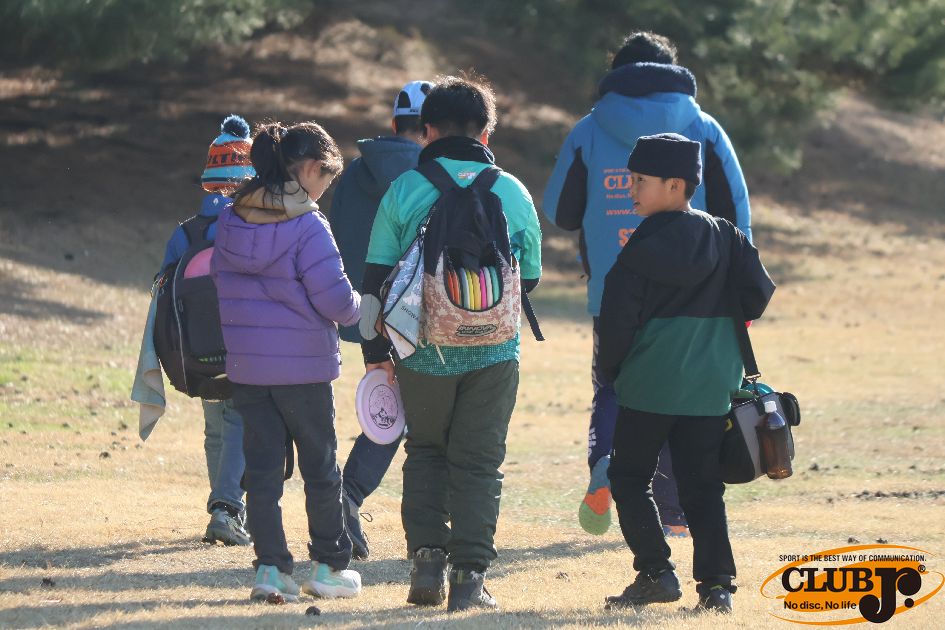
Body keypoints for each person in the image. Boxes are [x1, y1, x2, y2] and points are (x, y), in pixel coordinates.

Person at [542, 31, 752, 537]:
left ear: (617, 74)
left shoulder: (589, 129)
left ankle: (605, 462)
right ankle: (675, 514)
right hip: (697, 299)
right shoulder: (704, 128)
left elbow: (560, 211)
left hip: (613, 290)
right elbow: (737, 215)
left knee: (614, 385)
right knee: (684, 394)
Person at [359, 75, 542, 612]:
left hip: (421, 350)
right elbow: (528, 278)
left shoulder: (405, 189)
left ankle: (426, 564)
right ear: (486, 133)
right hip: (494, 353)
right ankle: (468, 578)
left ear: (428, 131)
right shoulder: (512, 191)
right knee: (479, 462)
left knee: (426, 451)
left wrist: (375, 355)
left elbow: (375, 280)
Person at [597, 133, 774, 613]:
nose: (630, 189)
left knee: (628, 477)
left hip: (649, 384)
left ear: (675, 185)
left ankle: (656, 572)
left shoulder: (639, 245)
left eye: (640, 180)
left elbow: (616, 321)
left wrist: (613, 372)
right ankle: (717, 588)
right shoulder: (726, 235)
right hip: (711, 384)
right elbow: (758, 294)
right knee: (703, 487)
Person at [211, 121, 362, 602]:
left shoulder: (230, 219)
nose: (324, 191)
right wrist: (361, 310)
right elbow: (335, 300)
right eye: (327, 179)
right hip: (304, 369)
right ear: (312, 168)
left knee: (262, 473)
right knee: (321, 469)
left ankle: (271, 570)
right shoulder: (308, 224)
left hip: (249, 370)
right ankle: (328, 566)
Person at [328, 80, 432, 561]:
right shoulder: (432, 175)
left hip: (367, 311)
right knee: (418, 418)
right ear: (432, 129)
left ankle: (346, 498)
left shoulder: (354, 172)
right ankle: (351, 496)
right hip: (423, 314)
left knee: (391, 408)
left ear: (394, 124)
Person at [158, 114, 255, 547]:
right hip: (242, 344)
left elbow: (163, 288)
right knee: (239, 419)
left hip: (195, 350)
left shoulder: (186, 232)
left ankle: (223, 504)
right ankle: (227, 508)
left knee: (215, 425)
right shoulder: (248, 227)